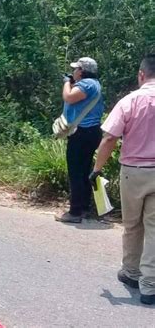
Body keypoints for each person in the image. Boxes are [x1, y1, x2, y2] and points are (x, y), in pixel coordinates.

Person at [89, 53, 155, 305]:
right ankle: (150, 286)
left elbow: (109, 138)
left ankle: (131, 272)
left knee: (132, 224)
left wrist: (97, 169)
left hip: (134, 172)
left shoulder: (130, 101)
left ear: (141, 74)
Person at [55, 57, 104, 223]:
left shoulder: (86, 84)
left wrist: (66, 82)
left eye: (76, 69)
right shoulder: (94, 84)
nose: (73, 72)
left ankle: (75, 212)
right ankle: (84, 208)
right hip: (91, 132)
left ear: (82, 71)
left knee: (76, 172)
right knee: (83, 171)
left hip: (82, 133)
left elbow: (68, 97)